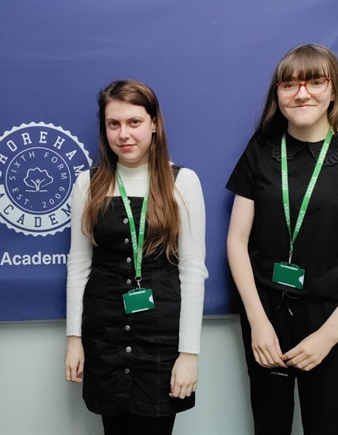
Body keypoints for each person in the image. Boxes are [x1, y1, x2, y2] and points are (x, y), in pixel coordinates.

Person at [226, 44, 338, 434]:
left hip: (335, 318)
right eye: (289, 84)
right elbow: (237, 242)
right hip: (266, 316)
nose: (301, 93)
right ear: (277, 94)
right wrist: (258, 322)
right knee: (269, 426)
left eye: (314, 82)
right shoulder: (260, 151)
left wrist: (328, 336)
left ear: (334, 89)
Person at [65, 79, 208, 435]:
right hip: (104, 338)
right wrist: (74, 338)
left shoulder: (183, 182)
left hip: (160, 341)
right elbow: (79, 266)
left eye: (134, 122)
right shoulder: (87, 184)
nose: (124, 134)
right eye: (113, 124)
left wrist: (189, 354)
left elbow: (192, 271)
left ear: (154, 124)